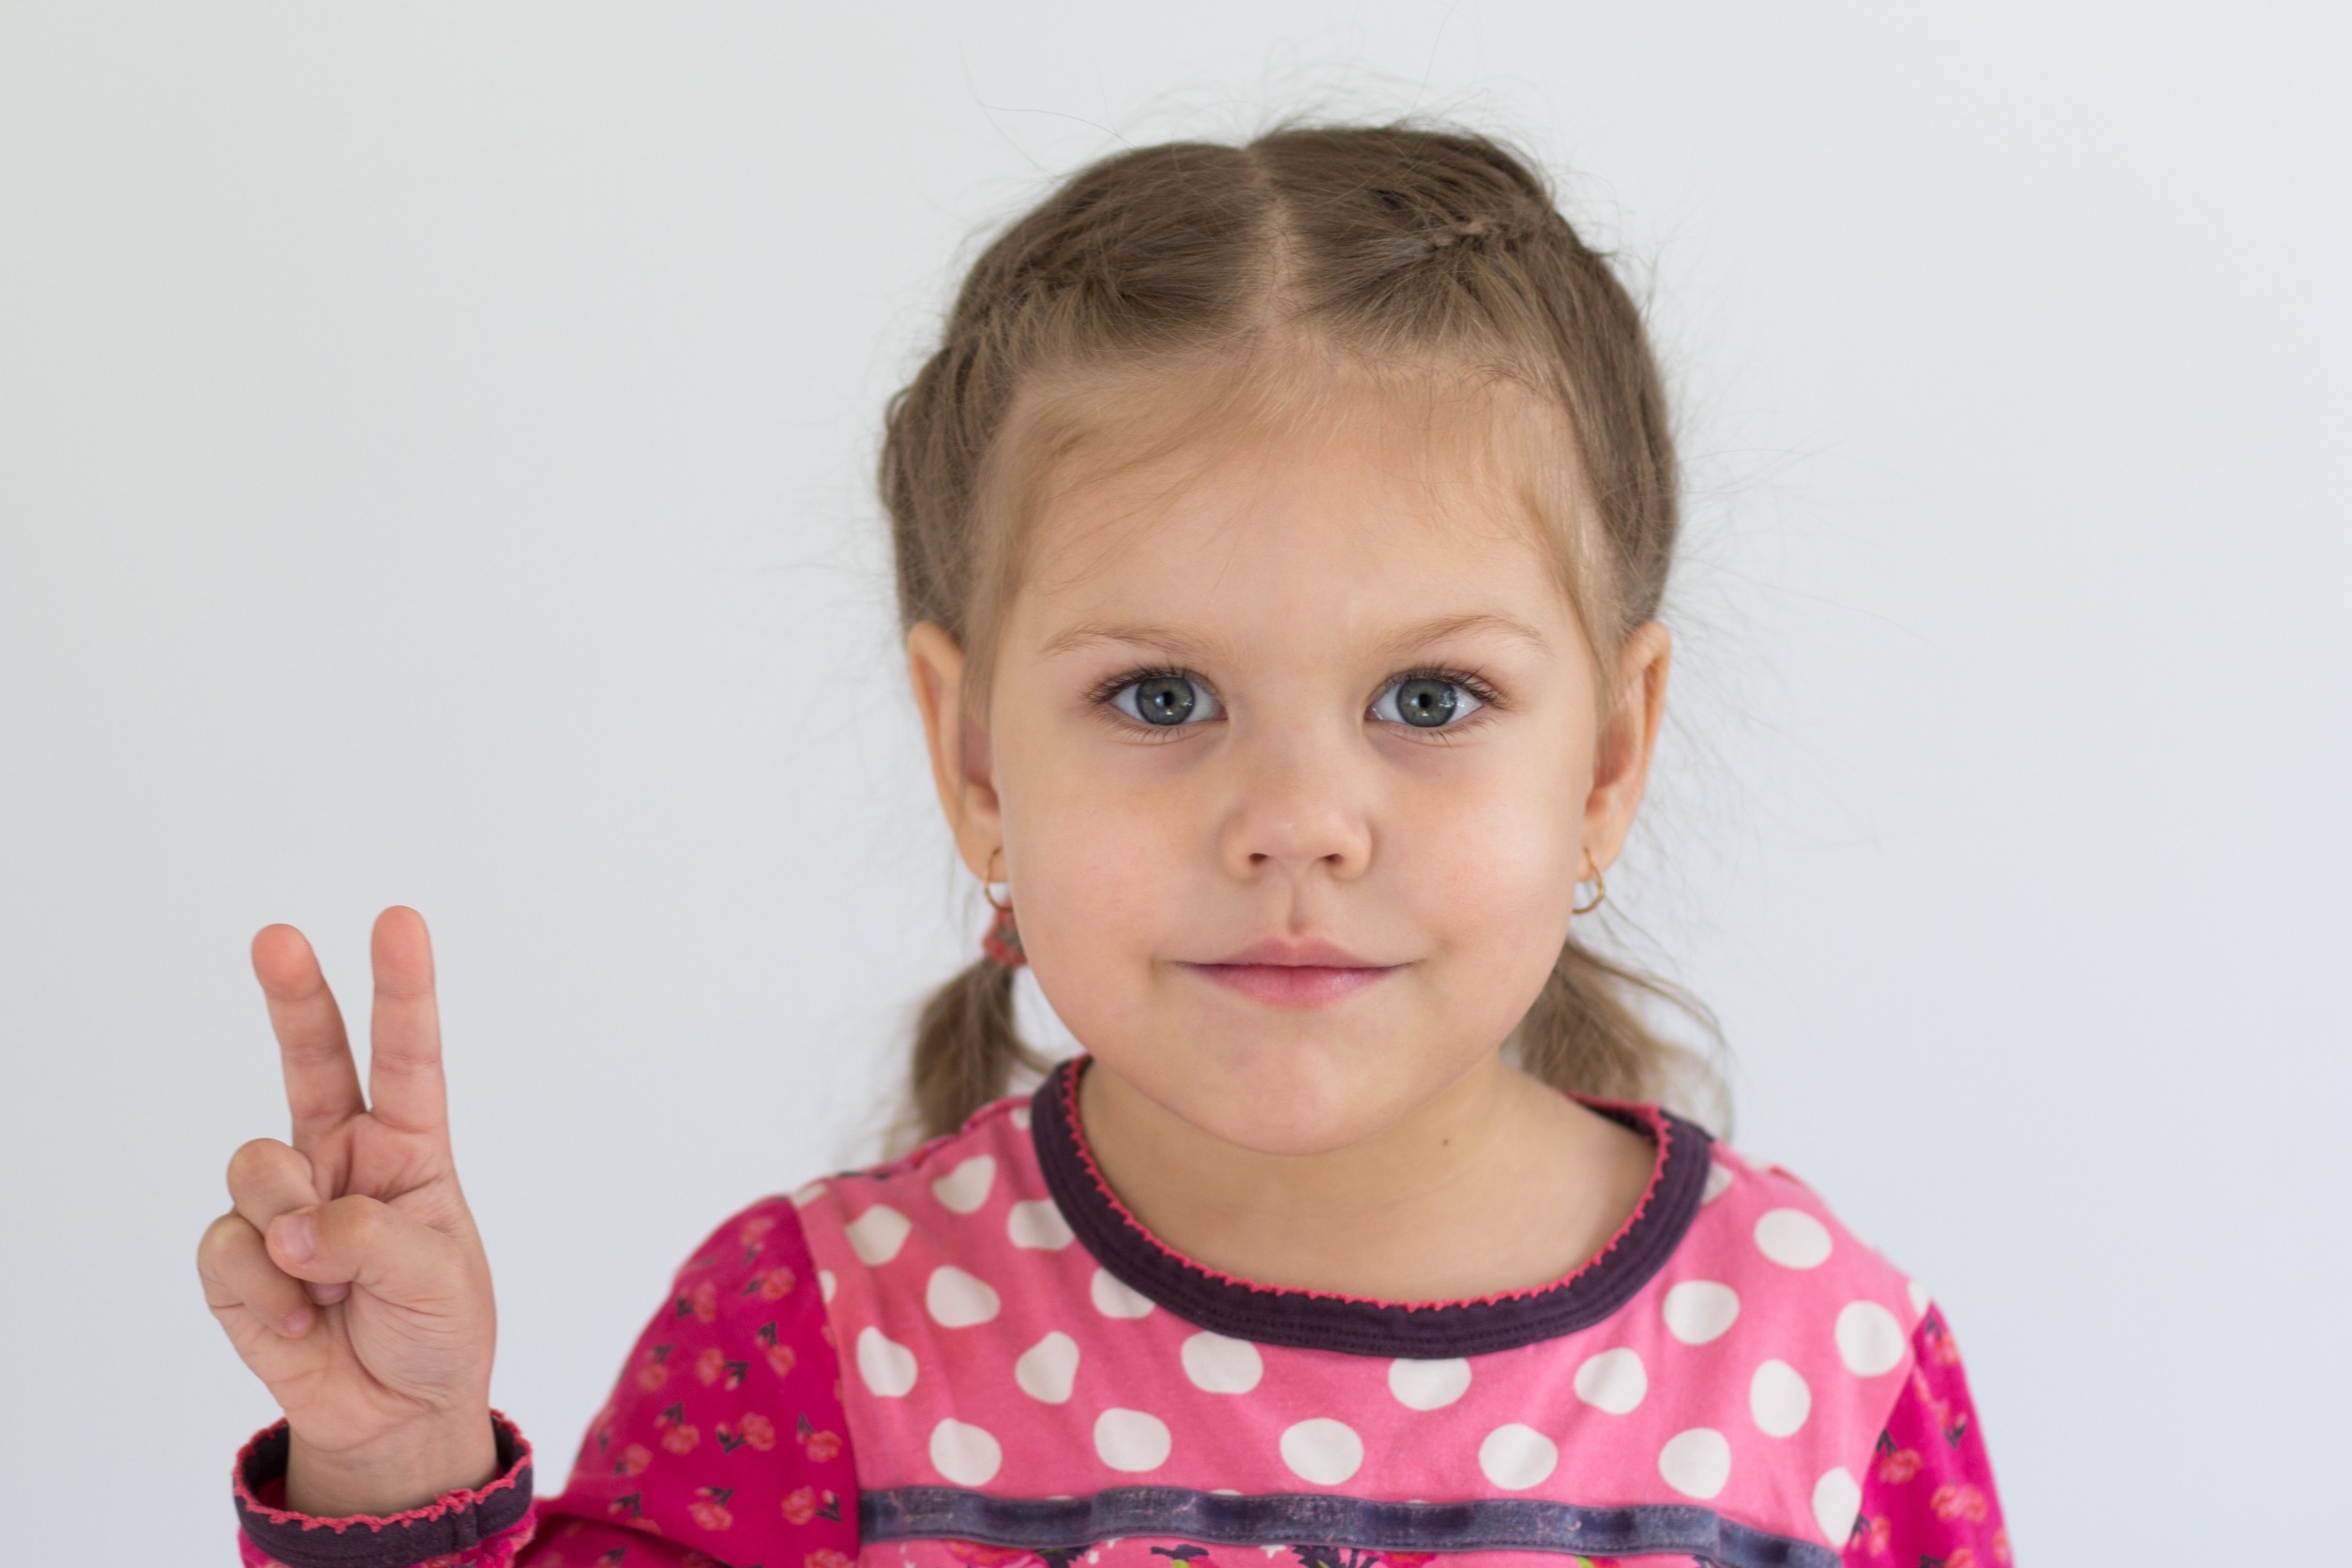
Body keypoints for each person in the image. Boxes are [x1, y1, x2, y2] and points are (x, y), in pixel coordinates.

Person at [198, 122, 2010, 1568]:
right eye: (1159, 698)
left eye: (1433, 700)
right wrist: (396, 1466)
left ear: (1608, 757)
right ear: (973, 754)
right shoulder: (823, 1341)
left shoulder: (1822, 1373)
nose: (1297, 821)